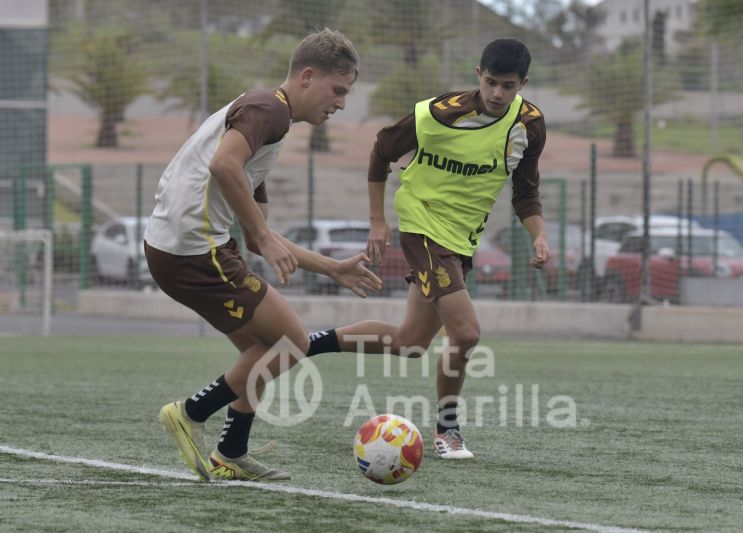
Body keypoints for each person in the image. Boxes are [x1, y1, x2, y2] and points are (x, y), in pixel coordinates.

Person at [144, 29, 380, 482]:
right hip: (194, 250)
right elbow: (223, 167)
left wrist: (331, 267)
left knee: (261, 352)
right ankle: (190, 413)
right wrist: (263, 237)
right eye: (338, 90)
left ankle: (230, 452)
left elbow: (259, 235)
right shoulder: (268, 109)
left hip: (185, 249)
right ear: (307, 77)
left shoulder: (269, 132)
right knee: (293, 340)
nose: (342, 103)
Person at [305, 38, 550, 459]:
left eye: (507, 86)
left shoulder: (528, 125)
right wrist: (378, 220)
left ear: (522, 84)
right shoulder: (438, 113)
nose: (497, 93)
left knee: (411, 342)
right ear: (478, 74)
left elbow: (525, 193)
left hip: (461, 239)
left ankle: (308, 342)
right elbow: (382, 149)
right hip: (421, 226)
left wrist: (539, 234)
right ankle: (447, 429)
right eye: (490, 82)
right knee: (467, 332)